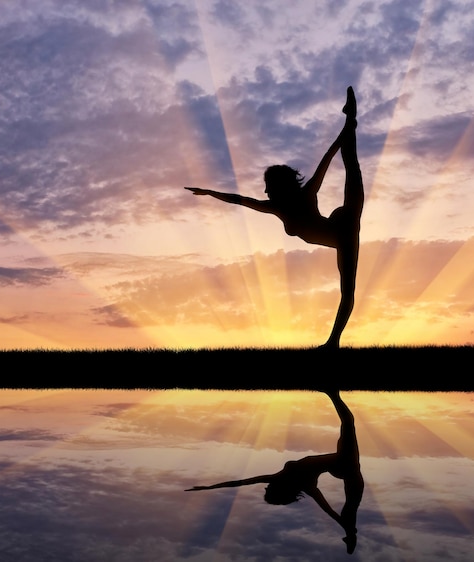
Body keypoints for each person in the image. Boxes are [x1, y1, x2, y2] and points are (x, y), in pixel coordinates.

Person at [186, 86, 363, 348]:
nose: (265, 190)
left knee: (351, 165)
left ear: (279, 186)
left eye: (268, 185)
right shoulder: (276, 207)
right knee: (351, 164)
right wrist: (209, 192)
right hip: (336, 227)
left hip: (344, 230)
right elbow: (241, 200)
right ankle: (350, 119)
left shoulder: (306, 194)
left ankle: (333, 343)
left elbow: (328, 158)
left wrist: (346, 130)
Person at [185, 389, 364, 554]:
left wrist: (208, 487)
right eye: (268, 491)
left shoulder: (291, 482)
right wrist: (207, 488)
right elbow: (327, 510)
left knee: (350, 509)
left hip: (341, 465)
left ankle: (351, 535)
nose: (265, 488)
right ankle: (332, 392)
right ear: (277, 491)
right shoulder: (301, 484)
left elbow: (239, 483)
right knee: (348, 422)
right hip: (347, 464)